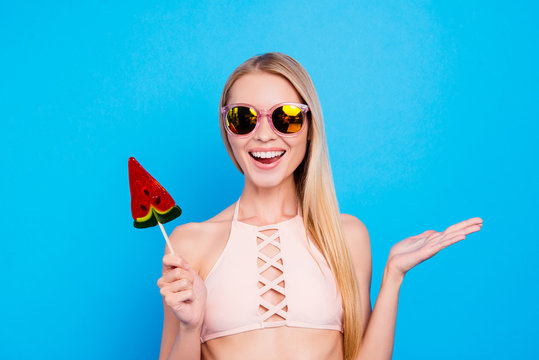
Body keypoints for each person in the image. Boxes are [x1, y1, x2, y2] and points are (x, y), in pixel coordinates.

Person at [156, 52, 483, 360]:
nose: (264, 136)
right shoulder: (189, 243)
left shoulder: (347, 236)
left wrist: (393, 277)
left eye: (286, 118)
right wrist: (190, 327)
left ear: (310, 127)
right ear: (227, 130)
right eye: (244, 119)